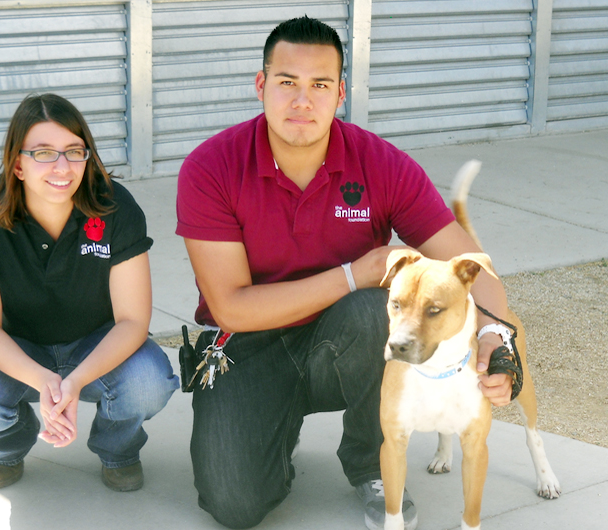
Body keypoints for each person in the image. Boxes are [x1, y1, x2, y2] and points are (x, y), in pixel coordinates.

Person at [176, 16, 513, 530]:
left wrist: (493, 334)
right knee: (234, 505)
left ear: (341, 93)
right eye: (287, 82)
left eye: (320, 85)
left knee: (373, 312)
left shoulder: (381, 164)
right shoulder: (211, 167)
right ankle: (270, 428)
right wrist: (356, 273)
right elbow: (230, 308)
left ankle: (371, 461)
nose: (302, 101)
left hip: (349, 342)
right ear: (261, 85)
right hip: (246, 345)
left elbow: (476, 270)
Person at [0, 93, 179, 492]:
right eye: (44, 153)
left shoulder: (114, 206)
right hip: (19, 348)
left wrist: (74, 381)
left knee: (148, 382)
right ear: (17, 163)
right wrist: (43, 380)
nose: (63, 167)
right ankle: (6, 447)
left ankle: (117, 450)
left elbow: (134, 321)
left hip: (97, 344)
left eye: (74, 151)